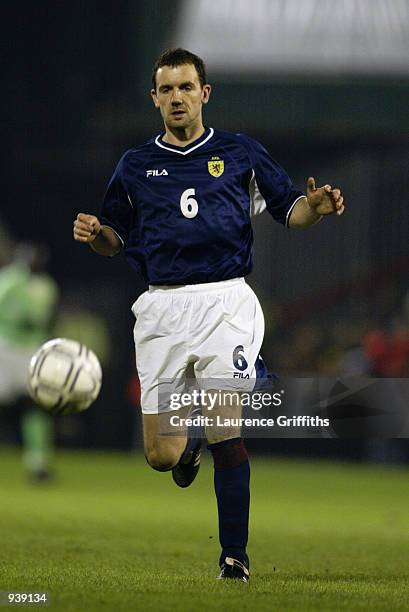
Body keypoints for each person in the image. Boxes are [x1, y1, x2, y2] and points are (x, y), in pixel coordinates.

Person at [73, 48, 345, 581]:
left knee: (226, 426)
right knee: (161, 456)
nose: (177, 97)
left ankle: (233, 558)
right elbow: (115, 239)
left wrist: (317, 206)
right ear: (154, 98)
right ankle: (188, 440)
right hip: (160, 308)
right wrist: (96, 234)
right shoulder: (134, 165)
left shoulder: (239, 152)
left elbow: (291, 209)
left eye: (186, 87)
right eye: (166, 90)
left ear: (205, 93)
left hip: (225, 300)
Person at [0, 243, 59, 481]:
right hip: (5, 348)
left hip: (31, 351)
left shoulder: (46, 286)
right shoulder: (9, 279)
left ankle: (38, 463)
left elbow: (37, 317)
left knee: (35, 407)